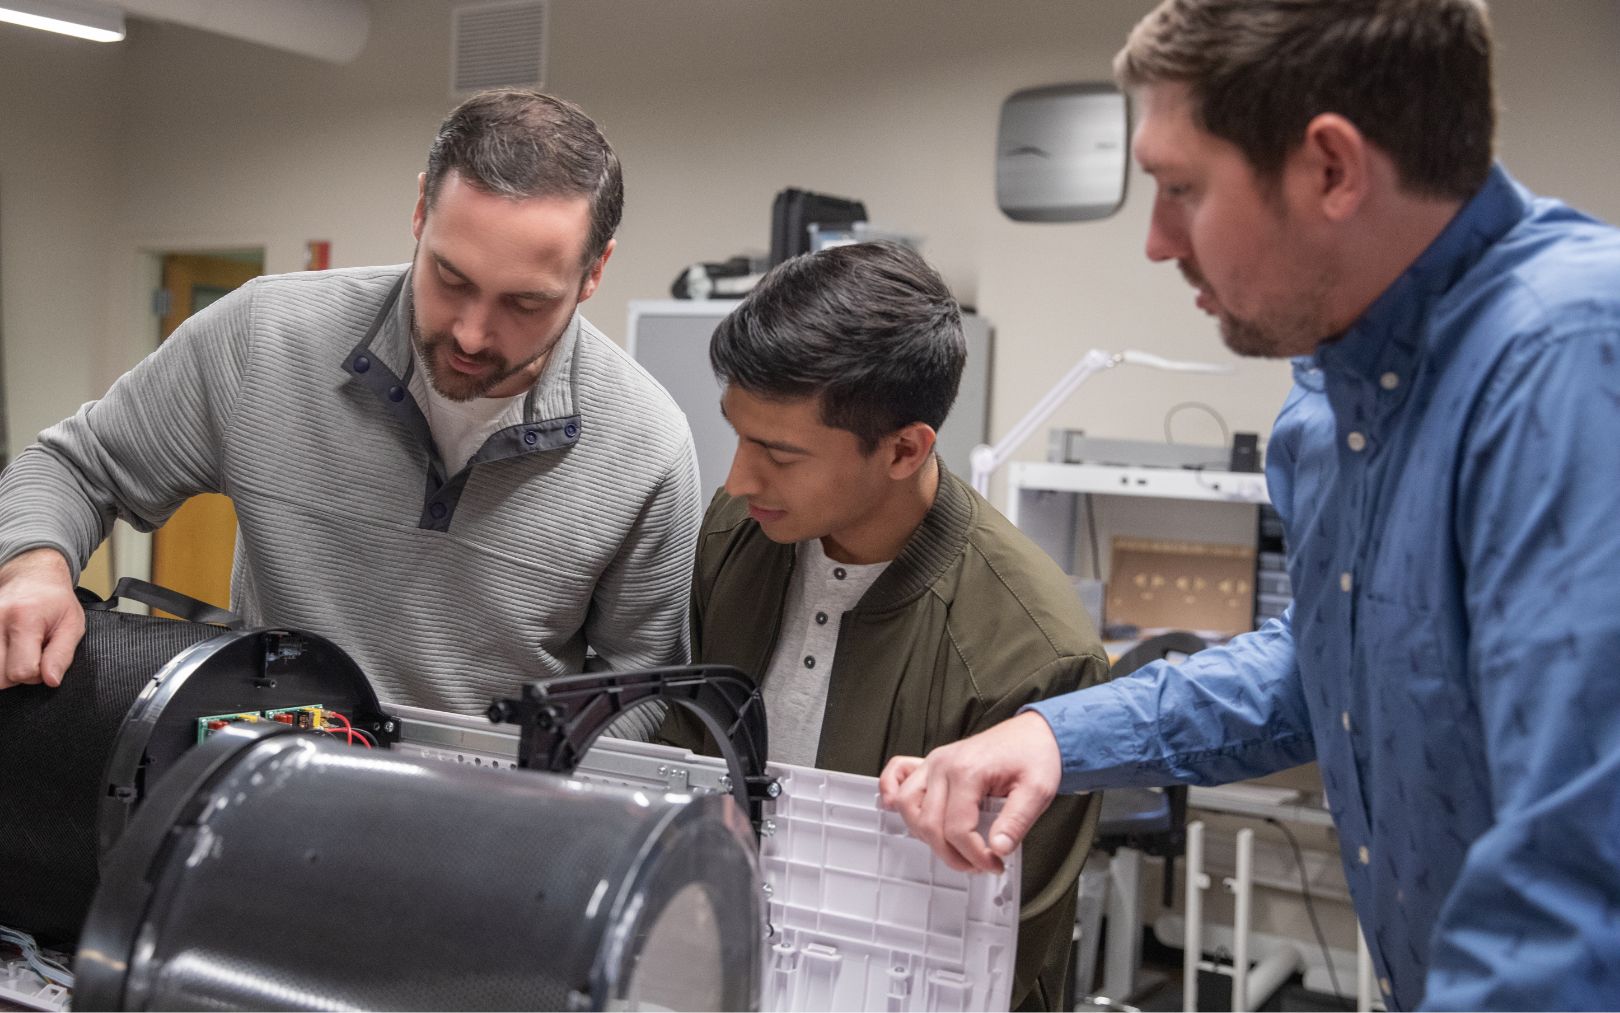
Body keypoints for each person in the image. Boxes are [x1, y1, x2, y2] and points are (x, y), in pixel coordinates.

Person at [880, 0, 1620, 1008]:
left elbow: (1575, 880)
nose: (1153, 240)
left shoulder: (1567, 366)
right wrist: (1057, 735)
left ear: (1331, 168)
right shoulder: (1333, 395)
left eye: (1180, 188)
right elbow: (1329, 660)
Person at [0, 89, 702, 714]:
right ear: (422, 209)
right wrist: (34, 565)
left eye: (524, 303)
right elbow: (74, 467)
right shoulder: (265, 336)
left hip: (489, 828)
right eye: (450, 279)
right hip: (261, 780)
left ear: (594, 272)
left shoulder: (647, 448)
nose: (471, 332)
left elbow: (643, 691)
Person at [658, 241, 1110, 1011]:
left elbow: (1003, 960)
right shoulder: (740, 530)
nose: (737, 479)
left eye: (778, 452)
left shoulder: (1036, 654)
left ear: (905, 449)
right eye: (737, 434)